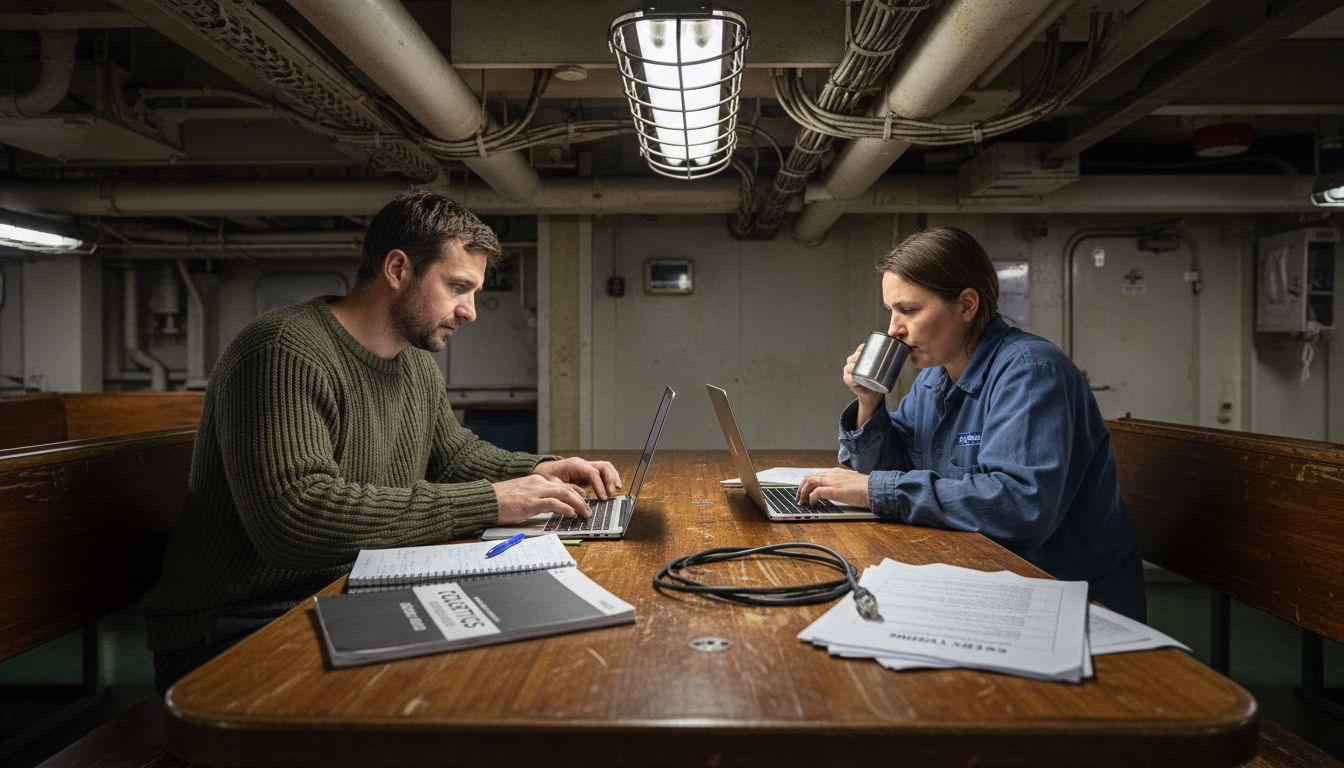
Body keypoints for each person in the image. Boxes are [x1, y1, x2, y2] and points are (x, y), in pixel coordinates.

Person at [142, 191, 621, 692]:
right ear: (397, 269)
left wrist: (539, 471)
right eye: (458, 287)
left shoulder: (414, 364)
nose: (471, 311)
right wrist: (492, 501)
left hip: (348, 594)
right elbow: (296, 518)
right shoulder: (282, 350)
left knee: (528, 660)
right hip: (239, 627)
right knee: (472, 691)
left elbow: (454, 457)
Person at [795, 227, 1146, 622]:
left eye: (908, 310)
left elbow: (1020, 508)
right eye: (891, 311)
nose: (894, 329)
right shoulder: (933, 378)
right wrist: (870, 401)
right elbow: (887, 471)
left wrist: (878, 490)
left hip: (1063, 600)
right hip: (985, 578)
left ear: (966, 305)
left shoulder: (1031, 373)